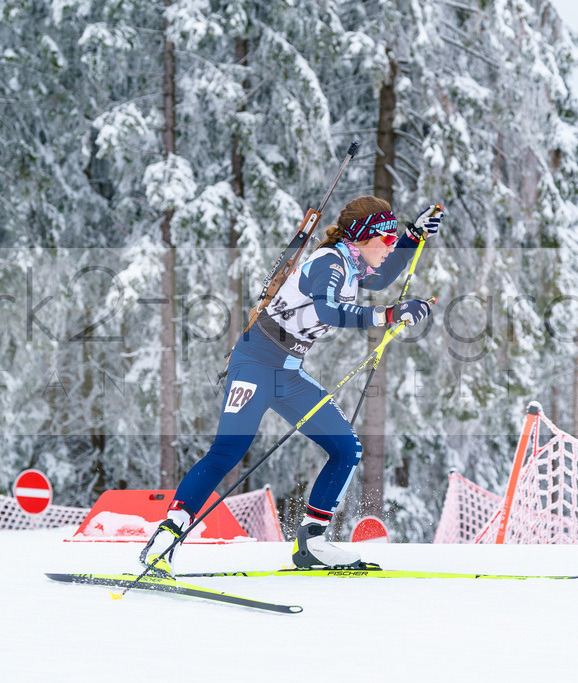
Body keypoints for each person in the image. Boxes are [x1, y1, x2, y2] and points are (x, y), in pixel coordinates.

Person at [140, 195, 443, 574]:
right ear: (364, 236)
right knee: (227, 453)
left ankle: (312, 543)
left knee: (346, 448)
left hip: (288, 370)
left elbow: (381, 276)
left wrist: (413, 238)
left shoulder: (353, 263)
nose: (388, 245)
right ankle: (168, 535)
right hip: (254, 362)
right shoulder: (329, 262)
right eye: (386, 237)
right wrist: (390, 313)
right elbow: (327, 310)